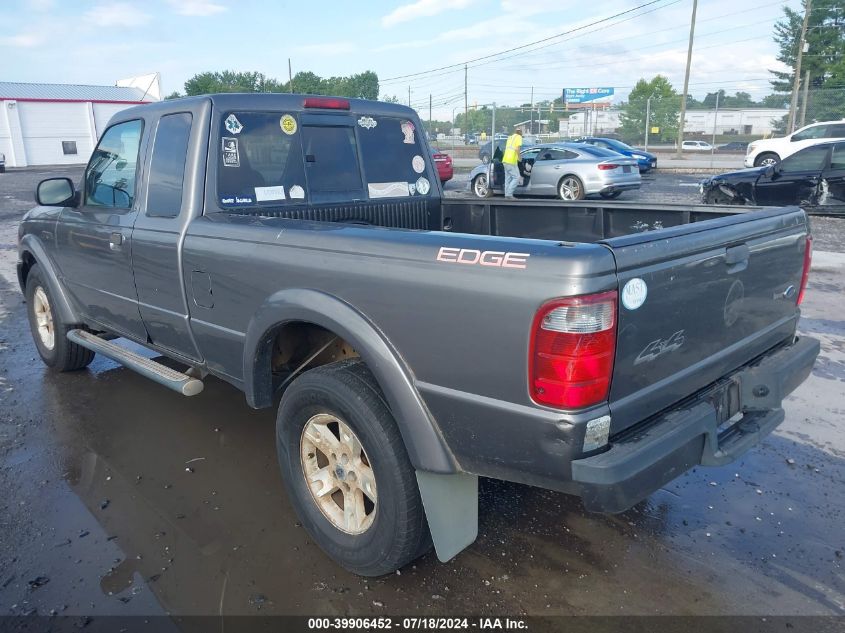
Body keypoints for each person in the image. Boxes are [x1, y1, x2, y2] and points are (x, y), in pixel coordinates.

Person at [502, 128, 523, 199]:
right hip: (511, 161)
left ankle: (506, 195)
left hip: (505, 160)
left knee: (507, 178)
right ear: (520, 132)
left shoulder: (510, 137)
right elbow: (517, 149)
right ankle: (509, 194)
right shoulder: (519, 137)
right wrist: (520, 158)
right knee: (517, 177)